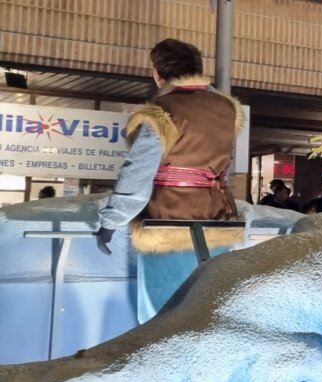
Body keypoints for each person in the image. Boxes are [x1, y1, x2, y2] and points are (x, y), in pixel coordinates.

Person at [95, 39, 243, 321]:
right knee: (208, 313)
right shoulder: (227, 110)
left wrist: (110, 222)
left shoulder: (161, 111)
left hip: (168, 225)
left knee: (161, 319)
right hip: (218, 222)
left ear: (157, 74)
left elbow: (138, 173)